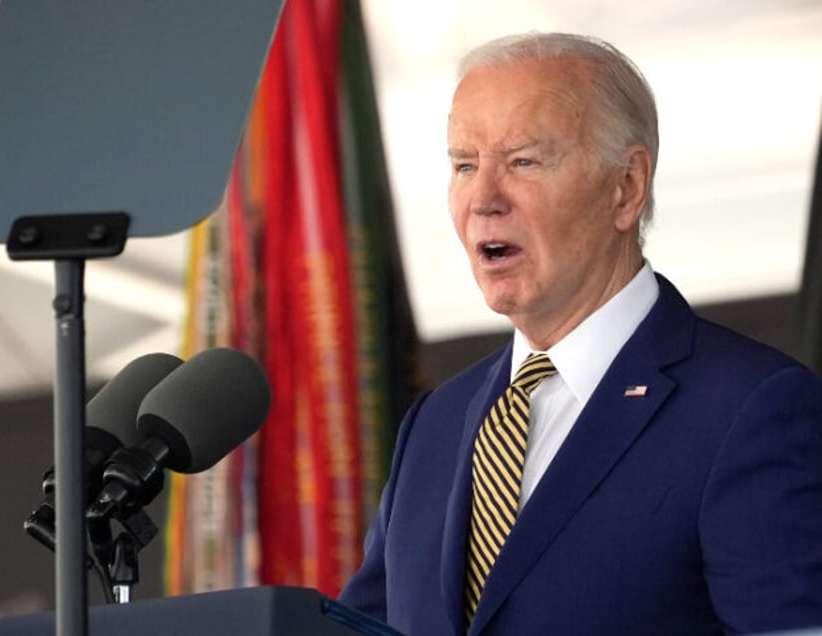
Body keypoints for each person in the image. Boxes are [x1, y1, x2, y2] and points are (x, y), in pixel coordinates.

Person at [339, 31, 822, 635]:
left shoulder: (750, 410)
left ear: (626, 188)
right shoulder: (434, 424)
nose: (483, 199)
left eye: (523, 161)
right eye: (464, 164)